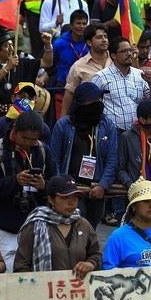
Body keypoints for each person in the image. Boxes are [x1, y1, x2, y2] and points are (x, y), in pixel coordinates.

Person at [0, 111, 57, 272]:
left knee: (34, 277)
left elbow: (55, 188)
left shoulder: (43, 152)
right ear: (15, 131)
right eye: (25, 138)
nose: (28, 143)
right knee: (6, 278)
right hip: (3, 228)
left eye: (33, 140)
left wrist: (43, 186)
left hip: (35, 228)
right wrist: (15, 181)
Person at [50, 83, 118, 228]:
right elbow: (54, 159)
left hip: (96, 188)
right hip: (70, 188)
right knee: (74, 229)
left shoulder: (107, 125)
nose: (98, 104)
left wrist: (103, 185)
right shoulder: (63, 125)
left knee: (90, 230)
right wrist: (61, 188)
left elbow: (112, 158)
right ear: (81, 103)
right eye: (94, 100)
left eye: (99, 100)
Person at [14, 175, 101, 278]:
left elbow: (96, 254)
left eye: (75, 197)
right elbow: (21, 265)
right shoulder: (35, 225)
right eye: (65, 197)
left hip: (76, 290)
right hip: (45, 290)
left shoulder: (83, 224)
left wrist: (90, 263)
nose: (71, 202)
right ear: (51, 199)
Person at [0, 29, 52, 142]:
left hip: (17, 117)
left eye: (12, 45)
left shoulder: (22, 63)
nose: (12, 49)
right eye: (7, 46)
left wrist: (47, 45)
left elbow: (47, 62)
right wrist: (7, 68)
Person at [91, 37, 151, 134]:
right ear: (113, 55)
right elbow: (92, 106)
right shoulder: (101, 77)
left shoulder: (140, 75)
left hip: (137, 133)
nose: (129, 54)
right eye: (124, 51)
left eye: (130, 50)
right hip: (112, 133)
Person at [0, 83, 51, 150]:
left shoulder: (42, 128)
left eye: (30, 98)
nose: (25, 101)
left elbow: (46, 155)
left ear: (35, 102)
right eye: (22, 97)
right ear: (13, 98)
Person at [61, 23, 111, 114]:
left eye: (105, 36)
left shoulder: (117, 60)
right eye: (99, 37)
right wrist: (63, 119)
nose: (104, 40)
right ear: (89, 42)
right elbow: (69, 94)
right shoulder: (78, 66)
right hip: (89, 117)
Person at [51, 9, 89, 118]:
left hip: (84, 93)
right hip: (62, 91)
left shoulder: (90, 43)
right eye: (78, 23)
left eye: (84, 23)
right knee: (62, 123)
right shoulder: (59, 44)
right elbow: (52, 65)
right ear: (71, 25)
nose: (81, 26)